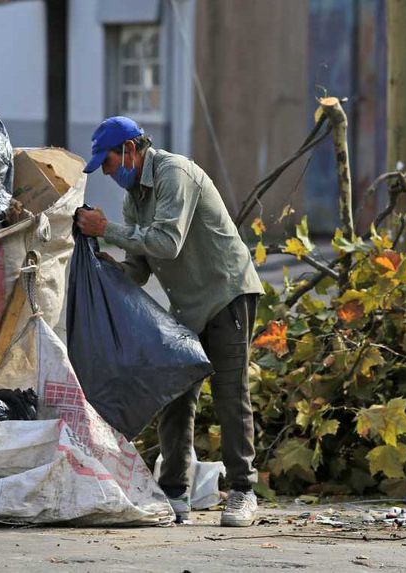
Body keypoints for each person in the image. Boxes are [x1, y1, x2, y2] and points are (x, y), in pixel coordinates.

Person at [75, 116, 264, 527]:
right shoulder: (134, 199)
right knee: (175, 393)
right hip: (187, 306)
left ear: (129, 150)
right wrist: (105, 267)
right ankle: (175, 493)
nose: (107, 173)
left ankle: (243, 492)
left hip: (227, 293)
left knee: (231, 394)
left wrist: (106, 229)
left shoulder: (173, 173)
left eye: (107, 163)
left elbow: (168, 243)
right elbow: (140, 268)